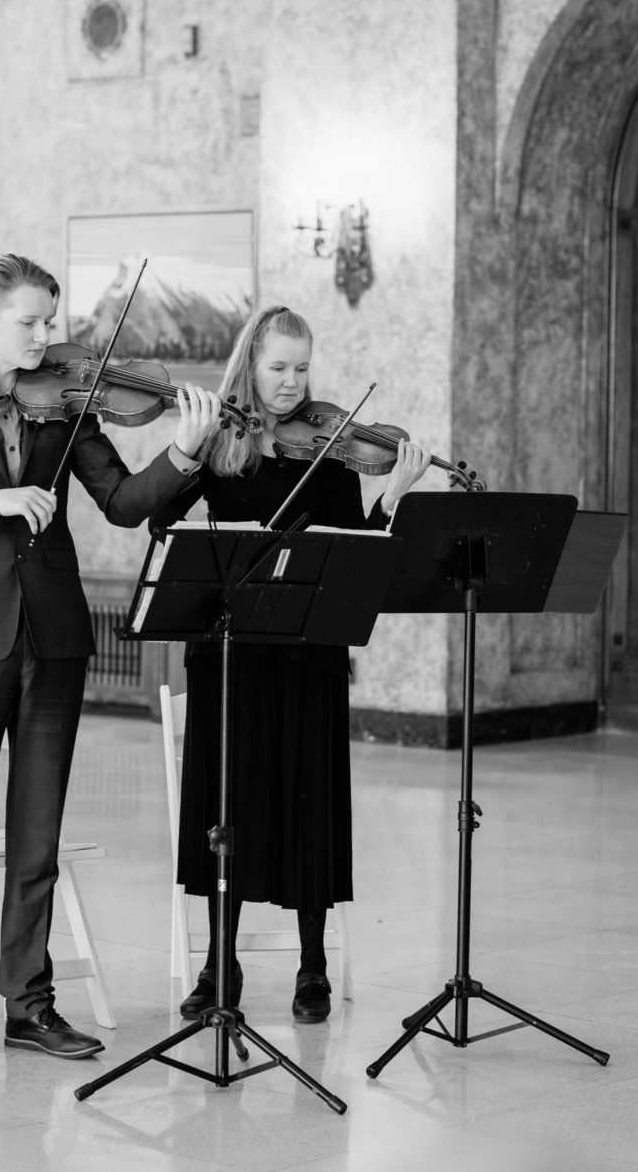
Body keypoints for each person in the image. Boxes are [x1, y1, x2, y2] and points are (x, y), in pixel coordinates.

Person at [0, 252, 220, 1066]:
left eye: (50, 323)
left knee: (38, 835)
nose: (45, 338)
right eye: (30, 322)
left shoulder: (65, 405)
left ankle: (30, 1003)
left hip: (55, 641)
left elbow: (129, 504)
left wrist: (188, 452)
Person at [151, 305, 430, 1023]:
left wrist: (393, 493)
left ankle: (314, 968)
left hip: (310, 654)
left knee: (309, 806)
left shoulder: (333, 453)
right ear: (249, 366)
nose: (291, 383)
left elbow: (357, 554)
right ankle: (221, 963)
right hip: (231, 652)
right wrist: (190, 444)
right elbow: (159, 519)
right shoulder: (219, 443)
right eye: (277, 367)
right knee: (229, 806)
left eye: (302, 368)